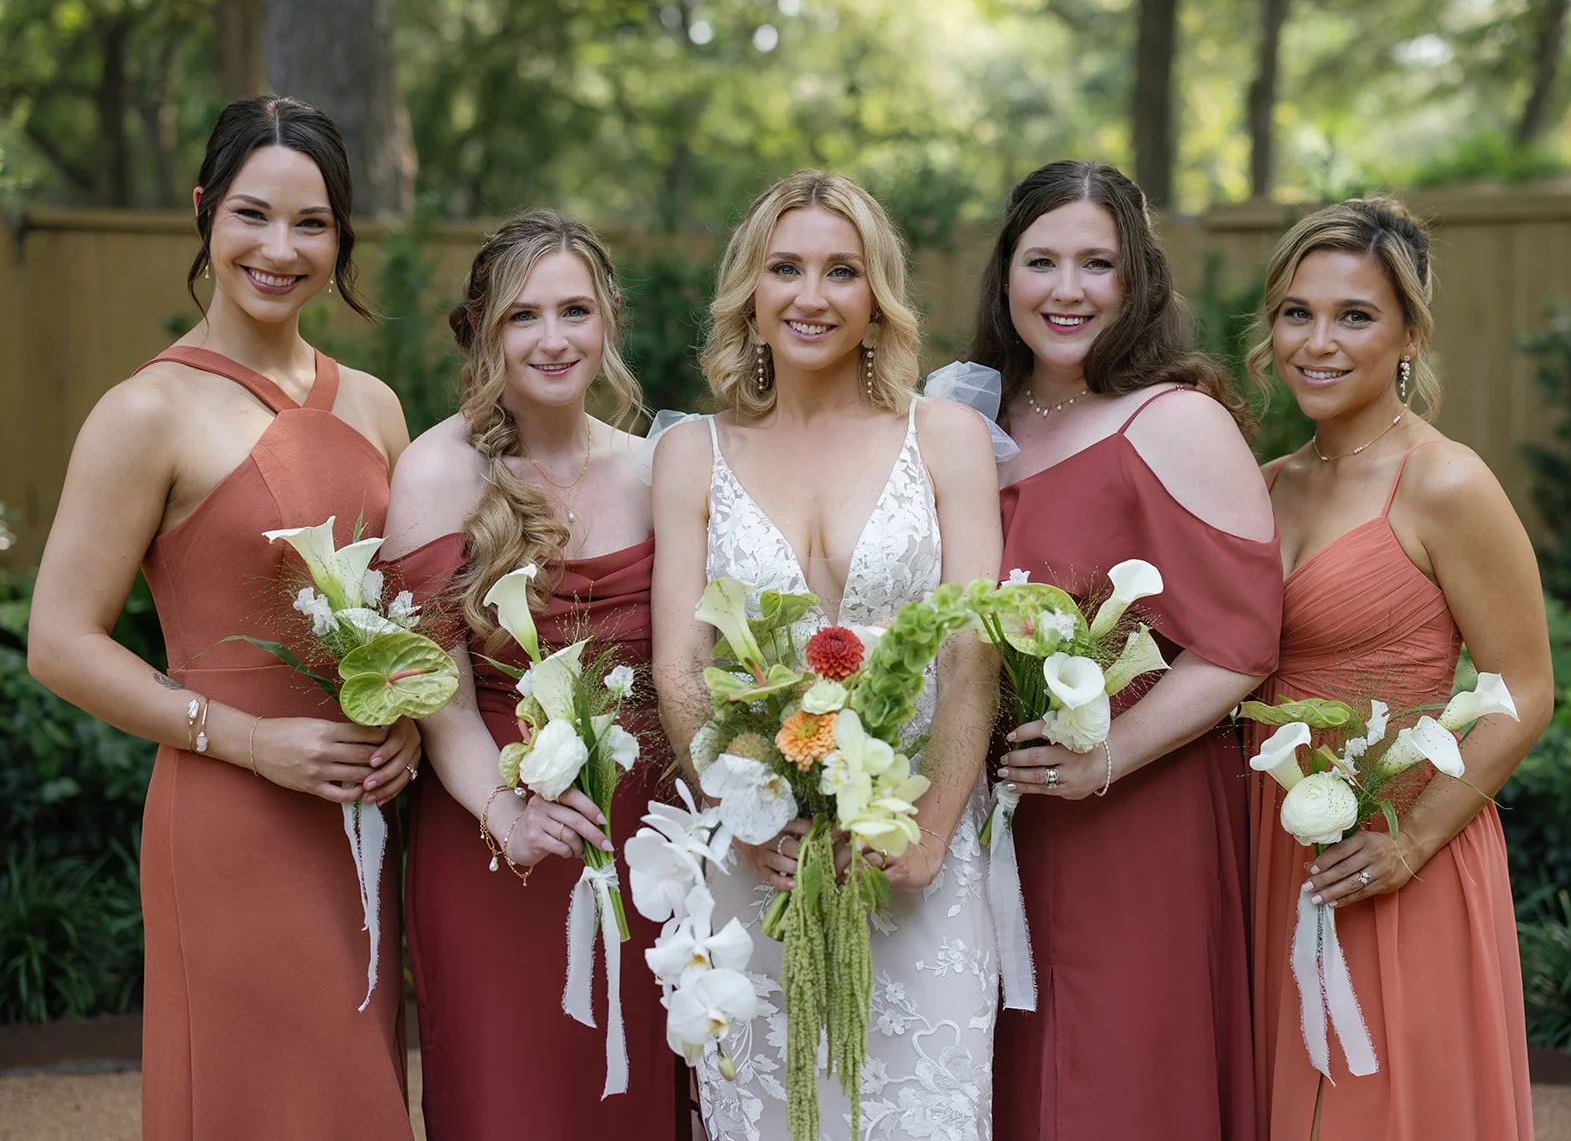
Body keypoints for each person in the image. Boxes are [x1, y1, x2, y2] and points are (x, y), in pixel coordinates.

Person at [26, 95, 417, 1139]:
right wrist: (247, 740)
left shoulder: (375, 407)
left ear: (341, 238)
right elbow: (58, 643)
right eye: (252, 214)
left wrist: (411, 725)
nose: (279, 248)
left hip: (362, 816)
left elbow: (405, 613)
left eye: (312, 223)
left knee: (358, 1100)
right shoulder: (143, 413)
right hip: (229, 818)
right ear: (204, 213)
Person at [651, 169, 1002, 1140]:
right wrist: (744, 816)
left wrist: (928, 834)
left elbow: (972, 655)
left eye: (840, 271)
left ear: (876, 295)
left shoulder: (947, 439)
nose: (811, 296)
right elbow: (679, 663)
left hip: (915, 854)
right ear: (750, 293)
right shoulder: (692, 454)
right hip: (760, 859)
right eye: (787, 269)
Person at [978, 160, 1278, 1140]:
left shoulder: (1173, 419)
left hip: (1135, 819)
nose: (1067, 290)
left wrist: (1103, 756)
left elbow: (1242, 642)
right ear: (1004, 275)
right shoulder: (973, 423)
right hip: (998, 827)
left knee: (1115, 1084)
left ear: (1136, 279)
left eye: (1097, 264)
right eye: (1043, 261)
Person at [1246, 196, 1552, 1140]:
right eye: (1298, 313)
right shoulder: (1267, 484)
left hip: (1398, 843)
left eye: (1355, 316)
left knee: (1389, 1105)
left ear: (1409, 333)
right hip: (1271, 841)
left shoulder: (1445, 481)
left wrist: (1409, 842)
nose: (1318, 342)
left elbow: (1526, 691)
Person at [382, 210, 682, 1138]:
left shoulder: (659, 467)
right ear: (481, 331)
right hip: (492, 828)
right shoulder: (436, 472)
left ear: (609, 322)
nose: (552, 340)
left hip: (648, 841)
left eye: (574, 312)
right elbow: (443, 704)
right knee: (511, 1097)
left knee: (638, 1093)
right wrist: (505, 811)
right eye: (523, 316)